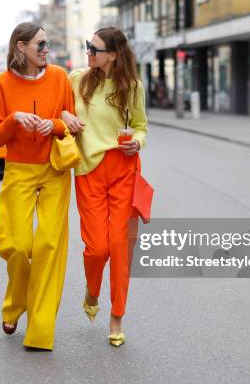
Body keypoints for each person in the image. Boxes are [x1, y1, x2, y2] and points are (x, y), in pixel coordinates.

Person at [0, 22, 75, 351]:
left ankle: (40, 331)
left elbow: (71, 122)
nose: (45, 50)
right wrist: (14, 120)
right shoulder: (1, 84)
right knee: (17, 245)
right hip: (19, 170)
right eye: (39, 45)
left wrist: (51, 124)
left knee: (48, 248)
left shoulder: (59, 78)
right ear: (20, 47)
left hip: (54, 168)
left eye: (46, 44)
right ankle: (14, 303)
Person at [62, 27, 147, 348]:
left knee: (120, 249)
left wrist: (136, 143)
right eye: (88, 46)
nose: (89, 52)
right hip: (89, 172)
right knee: (97, 248)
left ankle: (117, 316)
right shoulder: (76, 79)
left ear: (113, 54)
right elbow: (56, 108)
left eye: (94, 49)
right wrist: (64, 113)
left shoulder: (132, 87)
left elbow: (141, 127)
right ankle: (92, 288)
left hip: (124, 170)